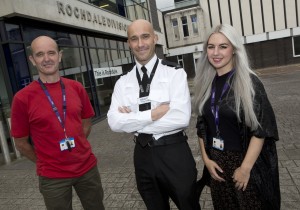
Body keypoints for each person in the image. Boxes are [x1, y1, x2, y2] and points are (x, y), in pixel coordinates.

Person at [107, 19, 200, 210]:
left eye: (145, 37)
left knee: (188, 205)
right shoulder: (122, 82)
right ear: (128, 43)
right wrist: (154, 114)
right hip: (142, 155)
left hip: (174, 152)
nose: (140, 44)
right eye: (134, 39)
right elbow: (114, 122)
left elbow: (181, 118)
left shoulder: (174, 73)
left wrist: (131, 118)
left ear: (155, 38)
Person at [10, 36, 105, 210]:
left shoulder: (76, 87)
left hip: (87, 169)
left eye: (51, 53)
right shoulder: (22, 98)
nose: (47, 59)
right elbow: (21, 143)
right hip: (53, 177)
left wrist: (77, 146)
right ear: (32, 60)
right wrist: (44, 160)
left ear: (59, 56)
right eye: (40, 54)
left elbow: (86, 122)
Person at [193, 24, 280, 209]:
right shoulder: (205, 85)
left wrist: (245, 168)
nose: (216, 52)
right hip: (217, 165)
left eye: (223, 46)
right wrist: (207, 161)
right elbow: (201, 127)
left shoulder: (250, 83)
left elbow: (262, 129)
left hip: (245, 163)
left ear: (234, 50)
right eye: (211, 47)